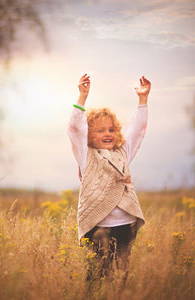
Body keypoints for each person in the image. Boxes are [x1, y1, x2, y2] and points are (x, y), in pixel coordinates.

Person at [67, 73, 151, 282]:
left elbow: (137, 132)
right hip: (97, 226)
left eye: (111, 129)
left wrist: (142, 100)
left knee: (121, 275)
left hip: (125, 224)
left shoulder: (122, 153)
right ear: (88, 136)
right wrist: (82, 98)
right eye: (100, 130)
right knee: (95, 276)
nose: (108, 134)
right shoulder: (85, 155)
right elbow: (75, 129)